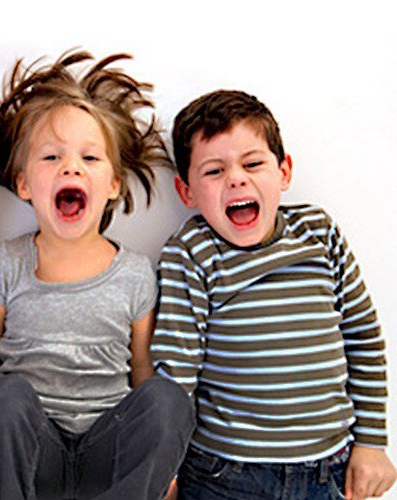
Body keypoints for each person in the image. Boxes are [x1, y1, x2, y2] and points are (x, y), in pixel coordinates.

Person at [0, 51, 194, 500]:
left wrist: (159, 460)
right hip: (37, 453)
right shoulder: (6, 266)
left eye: (90, 157)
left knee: (169, 400)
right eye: (51, 156)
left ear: (112, 185)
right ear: (24, 183)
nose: (71, 167)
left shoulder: (135, 274)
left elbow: (141, 369)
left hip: (107, 456)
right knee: (2, 396)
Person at [151, 89, 396, 499]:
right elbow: (176, 373)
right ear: (186, 191)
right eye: (214, 171)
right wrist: (164, 468)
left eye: (253, 164)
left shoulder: (319, 234)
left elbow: (364, 339)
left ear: (284, 171)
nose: (236, 178)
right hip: (225, 473)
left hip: (328, 469)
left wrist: (371, 443)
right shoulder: (191, 252)